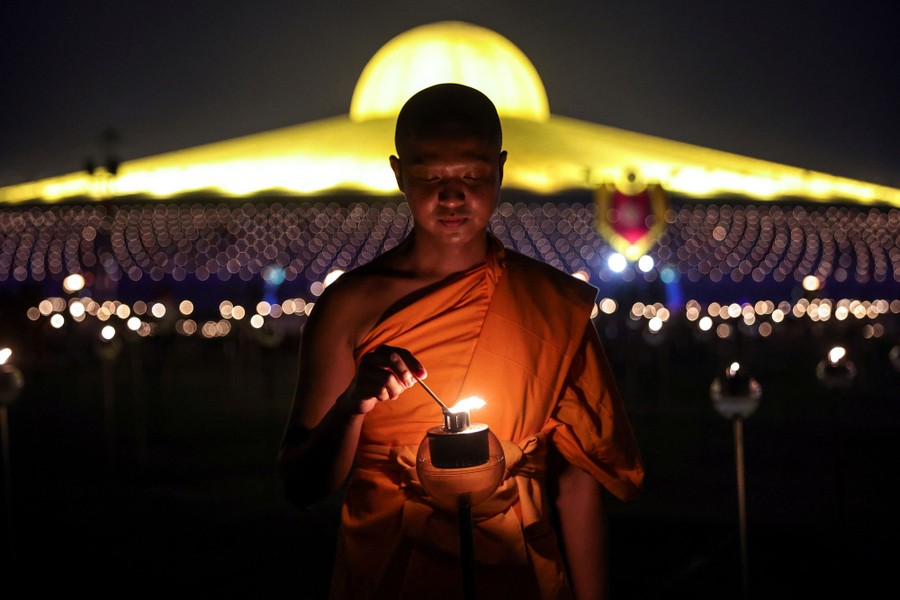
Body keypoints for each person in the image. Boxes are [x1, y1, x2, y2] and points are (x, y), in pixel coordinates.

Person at [278, 83, 643, 600]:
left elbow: (576, 480)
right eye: (430, 176)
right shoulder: (352, 306)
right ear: (399, 173)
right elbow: (302, 484)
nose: (452, 196)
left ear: (500, 170)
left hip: (520, 569)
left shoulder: (548, 303)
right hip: (390, 571)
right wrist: (353, 406)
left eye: (472, 175)